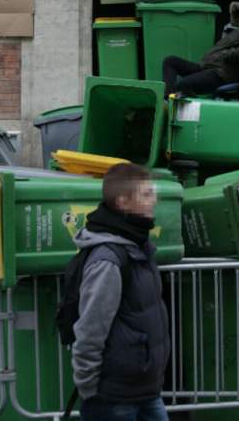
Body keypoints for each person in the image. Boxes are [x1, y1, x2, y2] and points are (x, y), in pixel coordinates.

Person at [71, 163, 170, 421]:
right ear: (124, 201)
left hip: (145, 390)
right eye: (146, 194)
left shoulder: (138, 245)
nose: (154, 200)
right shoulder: (109, 259)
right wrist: (89, 387)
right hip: (114, 396)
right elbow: (91, 329)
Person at [162, 0, 239, 97]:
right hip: (208, 67)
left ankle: (181, 106)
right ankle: (167, 99)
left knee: (183, 85)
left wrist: (226, 54)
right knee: (170, 61)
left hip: (220, 74)